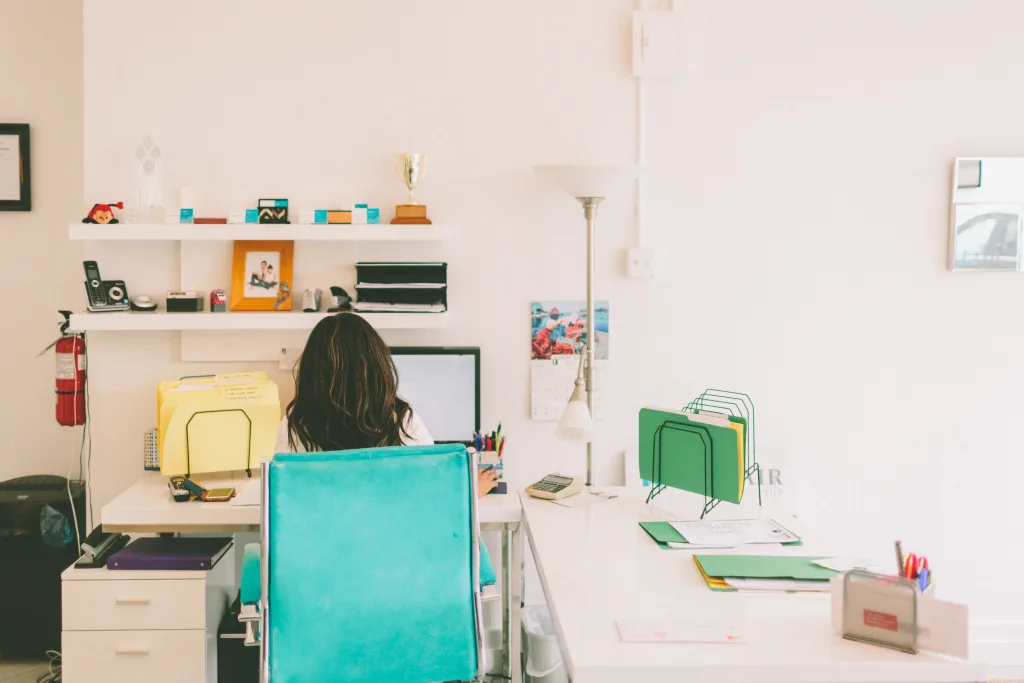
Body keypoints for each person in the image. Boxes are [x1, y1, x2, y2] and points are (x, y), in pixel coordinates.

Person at [275, 313, 498, 496]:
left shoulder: (295, 425)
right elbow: (433, 492)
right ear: (378, 367)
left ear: (312, 372)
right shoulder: (400, 421)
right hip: (391, 549)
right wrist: (471, 491)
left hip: (322, 548)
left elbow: (286, 497)